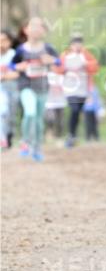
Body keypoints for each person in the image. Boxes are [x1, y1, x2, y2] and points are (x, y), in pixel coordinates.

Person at [11, 16, 61, 162]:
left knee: (39, 119)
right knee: (30, 112)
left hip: (43, 87)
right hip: (26, 86)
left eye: (39, 26)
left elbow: (59, 61)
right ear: (25, 30)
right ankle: (25, 142)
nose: (35, 29)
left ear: (44, 31)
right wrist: (18, 67)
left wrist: (52, 61)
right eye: (32, 26)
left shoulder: (48, 48)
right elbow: (12, 65)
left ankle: (37, 148)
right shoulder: (21, 49)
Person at [60, 34, 99, 147]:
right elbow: (57, 68)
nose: (77, 46)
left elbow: (95, 67)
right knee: (74, 109)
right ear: (71, 45)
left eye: (79, 43)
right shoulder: (65, 55)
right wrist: (65, 69)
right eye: (75, 43)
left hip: (83, 90)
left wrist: (86, 64)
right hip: (70, 89)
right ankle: (71, 134)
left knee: (78, 113)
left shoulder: (86, 55)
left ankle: (73, 134)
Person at [1, 29, 19, 149]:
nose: (1, 43)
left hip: (12, 87)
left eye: (4, 40)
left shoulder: (14, 55)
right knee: (2, 112)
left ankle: (9, 136)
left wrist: (4, 76)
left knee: (10, 115)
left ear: (10, 42)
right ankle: (2, 139)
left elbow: (18, 73)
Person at [45, 69, 67, 142]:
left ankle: (58, 136)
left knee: (60, 121)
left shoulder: (62, 77)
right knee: (50, 119)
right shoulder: (47, 76)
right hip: (49, 103)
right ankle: (50, 132)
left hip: (60, 102)